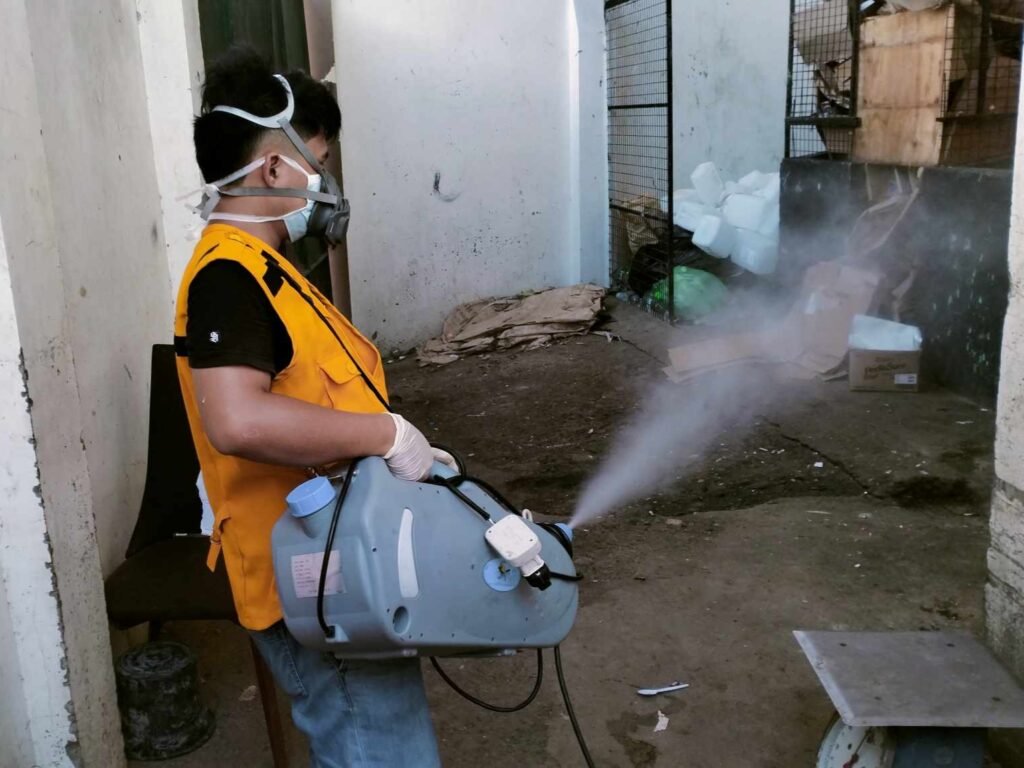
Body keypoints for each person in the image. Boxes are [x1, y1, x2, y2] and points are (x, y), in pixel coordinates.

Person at [175, 47, 444, 767]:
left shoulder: (266, 269)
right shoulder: (228, 276)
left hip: (339, 558)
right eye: (316, 165)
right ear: (272, 170)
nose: (325, 186)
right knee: (375, 749)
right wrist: (384, 433)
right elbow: (240, 420)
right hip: (309, 577)